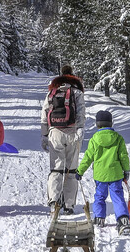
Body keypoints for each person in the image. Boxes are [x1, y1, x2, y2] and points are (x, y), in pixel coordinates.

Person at [76, 109, 130, 235]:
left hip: (100, 175)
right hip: (115, 174)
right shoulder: (118, 138)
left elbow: (88, 157)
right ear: (111, 123)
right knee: (117, 197)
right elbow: (124, 156)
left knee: (100, 196)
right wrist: (126, 170)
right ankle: (123, 221)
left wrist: (80, 171)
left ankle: (99, 218)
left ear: (97, 124)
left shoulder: (95, 139)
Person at [41, 64, 86, 214]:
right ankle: (69, 205)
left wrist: (44, 135)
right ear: (72, 75)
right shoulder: (77, 92)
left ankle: (54, 201)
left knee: (56, 169)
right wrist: (80, 129)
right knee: (71, 170)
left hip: (55, 133)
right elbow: (80, 112)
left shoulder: (52, 92)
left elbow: (44, 114)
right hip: (72, 133)